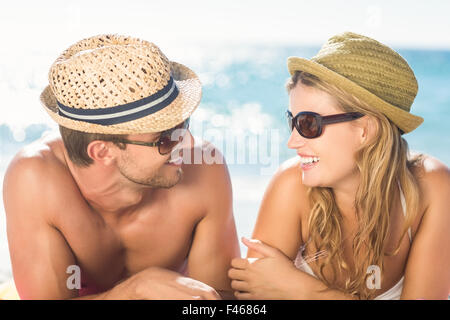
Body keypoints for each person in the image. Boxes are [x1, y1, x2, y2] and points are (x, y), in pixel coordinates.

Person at [2, 34, 240, 299]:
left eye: (183, 125)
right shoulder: (36, 180)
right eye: (163, 139)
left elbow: (217, 299)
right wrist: (134, 290)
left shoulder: (204, 168)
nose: (187, 143)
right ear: (102, 151)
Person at [228, 32, 450, 300]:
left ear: (366, 131)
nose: (292, 141)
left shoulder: (431, 187)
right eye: (292, 121)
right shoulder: (291, 185)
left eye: (308, 124)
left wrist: (309, 292)